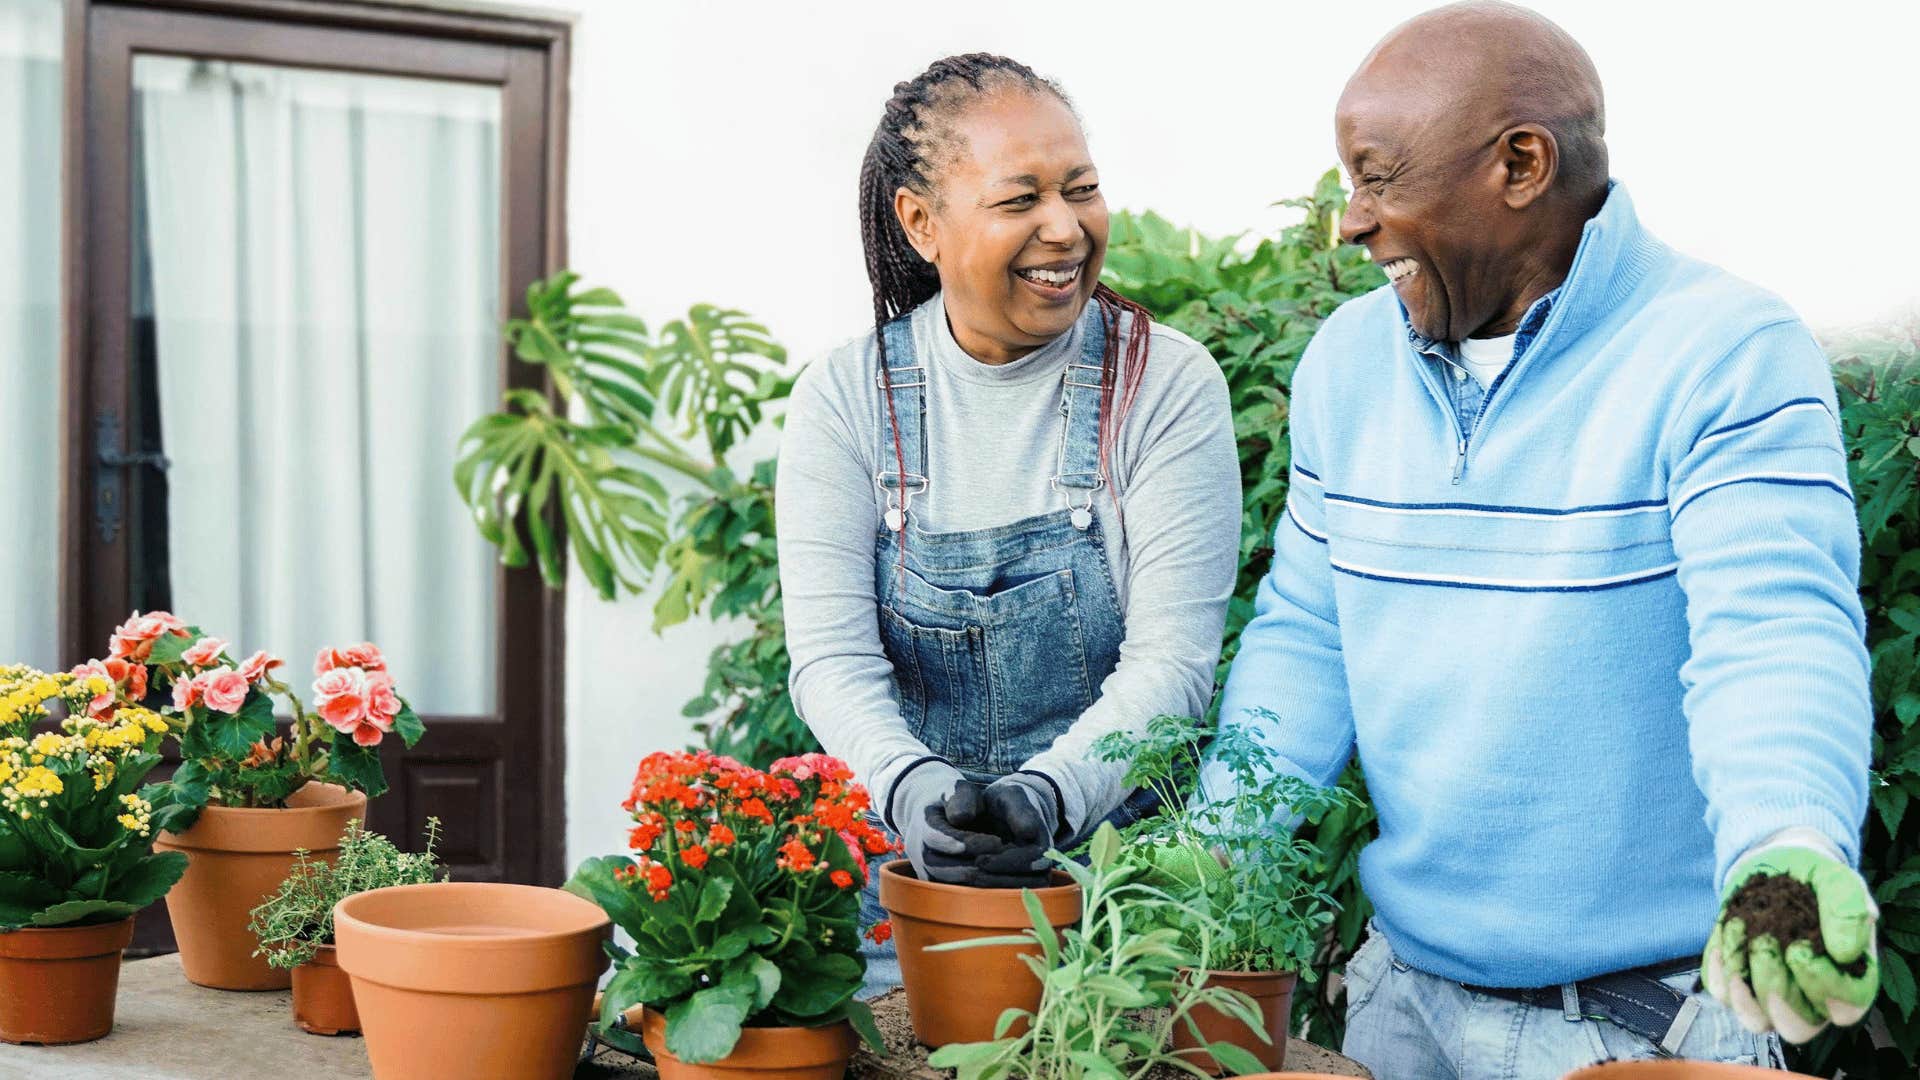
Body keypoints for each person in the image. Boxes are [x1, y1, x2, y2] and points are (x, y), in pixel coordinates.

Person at [1203, 3, 1879, 1074]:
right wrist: (1215, 850)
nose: (1351, 219)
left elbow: (1774, 628)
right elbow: (1309, 633)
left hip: (1634, 1031)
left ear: (1520, 163)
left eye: (1377, 177)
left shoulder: (1722, 351)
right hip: (1401, 1005)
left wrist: (1786, 844)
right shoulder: (1348, 362)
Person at [776, 54, 1240, 996]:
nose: (1065, 229)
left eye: (1082, 189)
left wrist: (1048, 795)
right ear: (921, 223)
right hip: (904, 892)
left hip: (1119, 897)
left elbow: (1175, 663)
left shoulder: (1163, 384)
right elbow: (831, 661)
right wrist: (911, 792)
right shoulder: (845, 399)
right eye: (1020, 199)